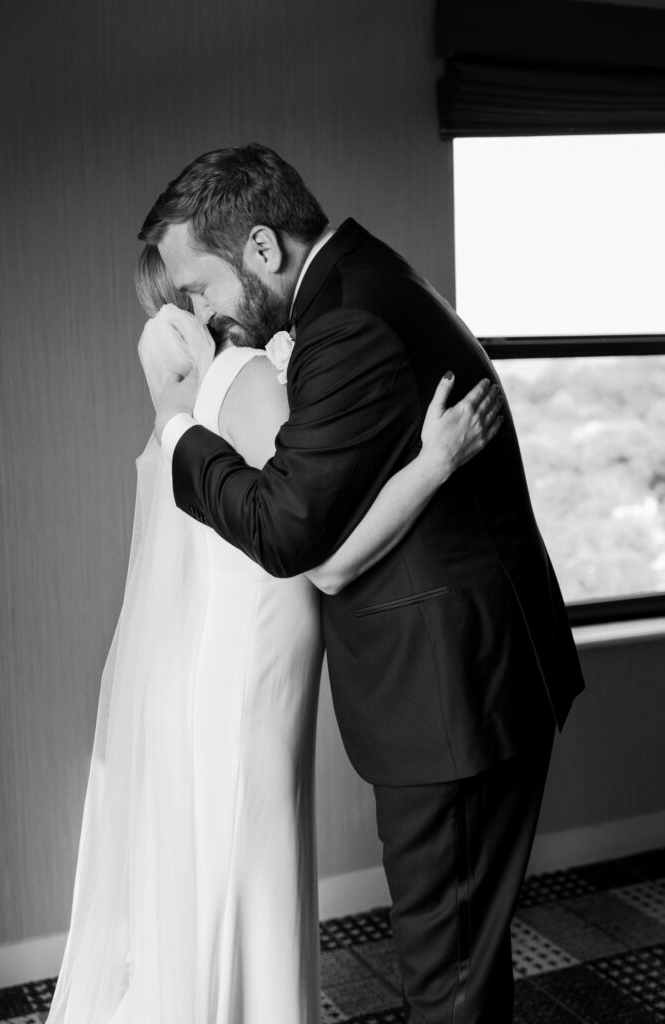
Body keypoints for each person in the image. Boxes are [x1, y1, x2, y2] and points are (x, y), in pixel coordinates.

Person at [142, 143, 585, 1024]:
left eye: (202, 284)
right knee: (461, 960)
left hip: (448, 693)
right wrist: (428, 467)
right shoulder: (372, 280)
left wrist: (178, 434)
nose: (198, 310)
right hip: (471, 673)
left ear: (262, 250)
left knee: (445, 977)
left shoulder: (345, 322)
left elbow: (284, 529)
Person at [44, 240, 502, 1024]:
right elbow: (323, 558)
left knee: (222, 882)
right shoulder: (247, 381)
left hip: (225, 664)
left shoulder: (194, 403)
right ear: (200, 305)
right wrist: (433, 462)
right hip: (247, 678)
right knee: (246, 876)